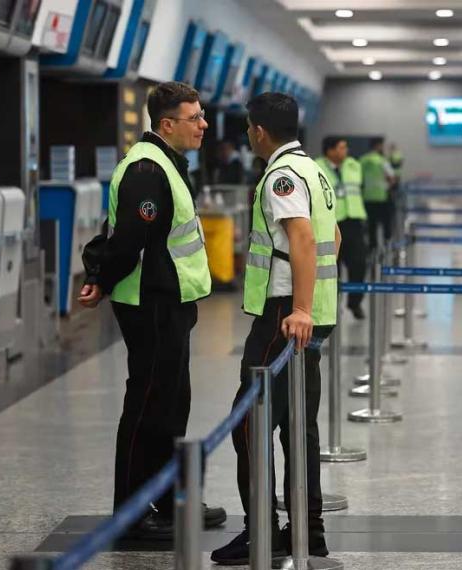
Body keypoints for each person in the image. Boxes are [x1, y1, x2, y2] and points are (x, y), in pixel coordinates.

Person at [77, 81, 226, 538]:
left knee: (172, 403)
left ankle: (168, 497)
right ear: (167, 124)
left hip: (172, 300)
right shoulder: (147, 169)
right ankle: (131, 513)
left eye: (202, 116)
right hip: (151, 303)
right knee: (147, 405)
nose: (203, 125)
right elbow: (128, 241)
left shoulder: (169, 163)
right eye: (194, 117)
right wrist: (101, 279)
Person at [210, 92, 341, 565]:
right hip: (313, 312)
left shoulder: (282, 175)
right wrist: (314, 306)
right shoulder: (315, 170)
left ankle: (262, 531)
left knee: (250, 422)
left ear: (259, 131)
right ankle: (309, 529)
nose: (248, 135)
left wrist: (299, 307)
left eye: (248, 128)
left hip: (286, 315)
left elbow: (303, 239)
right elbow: (334, 236)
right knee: (297, 425)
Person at [316, 136, 368, 319]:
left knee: (359, 264)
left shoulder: (354, 165)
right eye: (341, 147)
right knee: (330, 267)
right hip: (329, 224)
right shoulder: (316, 167)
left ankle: (355, 303)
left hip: (354, 221)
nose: (345, 151)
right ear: (329, 150)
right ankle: (330, 306)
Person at [360, 137, 396, 251]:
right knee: (386, 223)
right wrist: (387, 187)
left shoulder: (362, 160)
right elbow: (392, 178)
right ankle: (387, 245)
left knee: (371, 225)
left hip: (367, 198)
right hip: (382, 198)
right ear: (378, 146)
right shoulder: (382, 161)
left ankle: (372, 247)